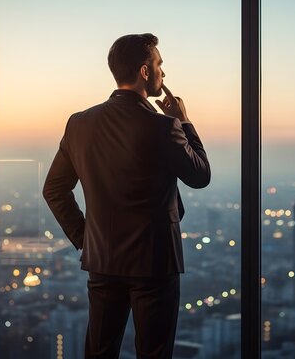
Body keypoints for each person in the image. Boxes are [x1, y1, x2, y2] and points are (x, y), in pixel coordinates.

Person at [43, 33, 210, 359]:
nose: (164, 72)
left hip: (103, 261)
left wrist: (86, 237)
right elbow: (200, 175)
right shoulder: (163, 127)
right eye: (159, 64)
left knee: (100, 352)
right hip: (155, 264)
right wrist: (184, 121)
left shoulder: (79, 124)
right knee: (154, 352)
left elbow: (54, 189)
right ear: (145, 71)